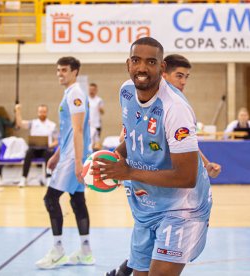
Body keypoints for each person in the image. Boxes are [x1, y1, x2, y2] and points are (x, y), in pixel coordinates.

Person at [98, 37, 212, 276]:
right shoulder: (126, 92)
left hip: (182, 209)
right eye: (136, 61)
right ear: (128, 64)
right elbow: (133, 136)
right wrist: (108, 160)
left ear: (161, 68)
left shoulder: (175, 109)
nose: (142, 68)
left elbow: (187, 177)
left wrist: (127, 172)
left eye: (150, 62)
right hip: (146, 206)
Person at [35, 56, 94, 269]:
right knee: (77, 200)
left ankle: (58, 249)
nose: (60, 74)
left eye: (64, 70)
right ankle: (86, 252)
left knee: (50, 199)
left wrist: (77, 163)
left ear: (75, 71)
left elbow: (78, 130)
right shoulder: (70, 93)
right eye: (58, 70)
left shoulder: (76, 93)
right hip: (69, 154)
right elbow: (70, 131)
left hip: (73, 157)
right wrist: (57, 154)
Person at [163, 54, 221, 179]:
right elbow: (123, 138)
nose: (183, 82)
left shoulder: (180, 105)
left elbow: (186, 140)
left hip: (177, 179)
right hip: (158, 180)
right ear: (164, 75)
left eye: (186, 77)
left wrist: (206, 164)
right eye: (179, 76)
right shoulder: (148, 101)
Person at [15, 103, 58, 187]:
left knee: (49, 153)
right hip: (34, 149)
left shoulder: (52, 125)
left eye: (44, 112)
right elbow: (20, 123)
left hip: (46, 149)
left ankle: (48, 178)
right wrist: (18, 111)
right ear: (38, 112)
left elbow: (57, 141)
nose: (42, 113)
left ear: (47, 112)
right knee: (28, 152)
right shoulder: (33, 123)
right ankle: (23, 178)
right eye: (40, 112)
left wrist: (50, 145)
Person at [0, 107, 16, 185]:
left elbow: (12, 124)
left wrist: (16, 113)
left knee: (2, 150)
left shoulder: (1, 119)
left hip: (0, 139)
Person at [88, 83, 104, 151]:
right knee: (89, 142)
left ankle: (96, 156)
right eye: (90, 89)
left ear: (96, 90)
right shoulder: (86, 100)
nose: (91, 91)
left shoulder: (99, 100)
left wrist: (100, 109)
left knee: (96, 143)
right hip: (88, 125)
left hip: (96, 124)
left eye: (93, 90)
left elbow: (102, 112)